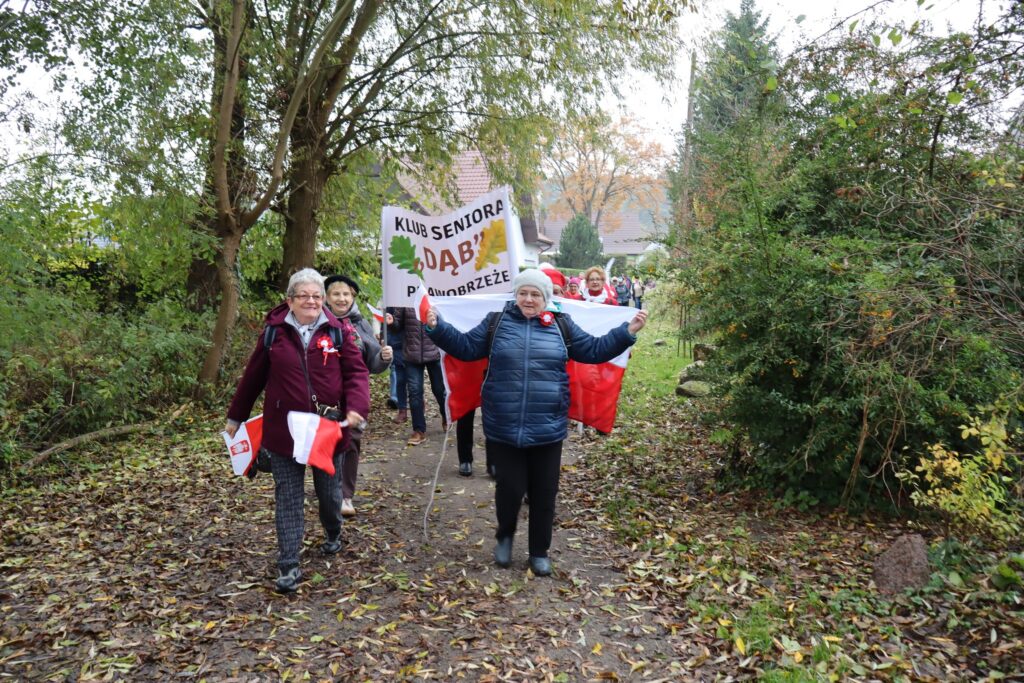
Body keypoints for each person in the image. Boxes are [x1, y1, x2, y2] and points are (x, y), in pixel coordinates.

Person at [425, 269, 648, 576]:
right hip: (503, 424)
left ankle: (539, 551)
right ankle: (504, 537)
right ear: (515, 295)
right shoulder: (496, 322)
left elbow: (595, 350)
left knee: (544, 493)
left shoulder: (561, 325)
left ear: (546, 298)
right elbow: (465, 347)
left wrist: (627, 331)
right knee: (510, 489)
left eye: (536, 294)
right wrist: (438, 329)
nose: (529, 299)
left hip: (548, 425)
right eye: (523, 293)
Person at [225, 268, 370, 593]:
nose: (311, 301)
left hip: (325, 428)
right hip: (283, 431)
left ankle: (333, 532)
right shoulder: (274, 333)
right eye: (304, 296)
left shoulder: (338, 332)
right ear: (290, 300)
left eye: (317, 296)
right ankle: (288, 565)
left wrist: (357, 406)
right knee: (288, 497)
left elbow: (356, 373)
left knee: (329, 494)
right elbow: (253, 377)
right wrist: (236, 417)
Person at [324, 274, 393, 518]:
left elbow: (372, 363)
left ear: (352, 297)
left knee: (351, 442)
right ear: (326, 298)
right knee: (326, 444)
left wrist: (384, 357)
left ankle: (345, 495)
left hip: (354, 397)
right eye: (336, 294)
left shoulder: (360, 324)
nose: (341, 298)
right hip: (323, 398)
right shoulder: (318, 322)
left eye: (346, 294)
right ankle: (327, 491)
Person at [388, 307, 446, 445]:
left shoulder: (434, 294)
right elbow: (397, 326)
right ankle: (419, 430)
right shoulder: (405, 299)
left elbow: (446, 323)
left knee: (439, 390)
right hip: (411, 355)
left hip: (434, 353)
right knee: (414, 392)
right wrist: (391, 322)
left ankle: (446, 415)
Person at [385, 307, 408, 423]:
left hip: (409, 344)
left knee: (414, 381)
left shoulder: (407, 300)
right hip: (395, 345)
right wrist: (382, 336)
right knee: (400, 380)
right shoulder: (389, 300)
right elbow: (385, 319)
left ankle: (418, 405)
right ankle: (402, 410)